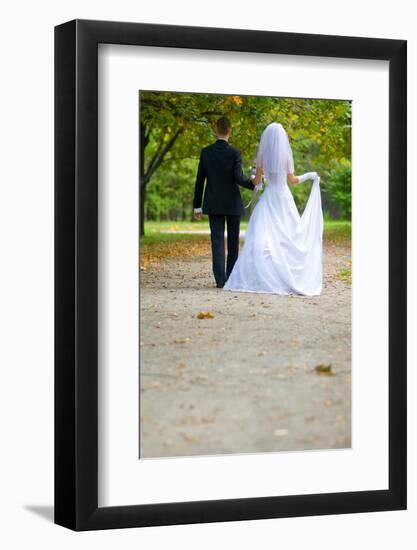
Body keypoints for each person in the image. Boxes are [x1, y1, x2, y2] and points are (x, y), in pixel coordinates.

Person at [224, 122, 323, 296]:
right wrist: (309, 176)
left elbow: (256, 183)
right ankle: (285, 272)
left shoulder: (262, 157)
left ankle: (264, 275)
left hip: (268, 198)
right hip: (283, 198)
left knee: (262, 236)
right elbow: (292, 180)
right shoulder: (285, 156)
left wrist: (255, 175)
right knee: (288, 235)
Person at [193, 117, 255, 288]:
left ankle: (221, 281)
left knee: (217, 241)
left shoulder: (206, 152)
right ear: (230, 131)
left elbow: (200, 180)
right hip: (232, 203)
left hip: (213, 203)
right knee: (233, 242)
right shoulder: (235, 153)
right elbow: (238, 178)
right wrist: (253, 184)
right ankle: (231, 278)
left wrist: (197, 206)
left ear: (215, 130)